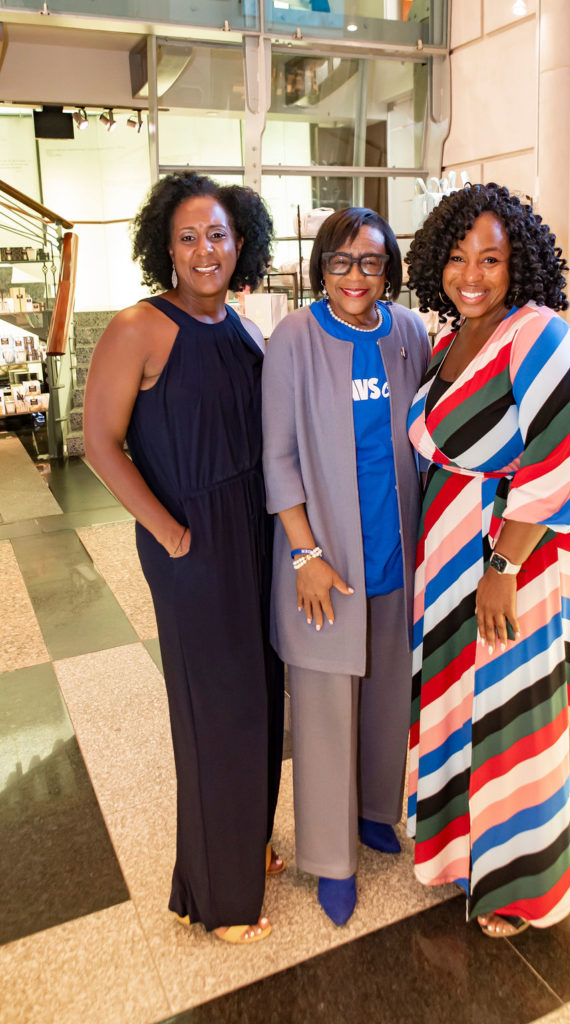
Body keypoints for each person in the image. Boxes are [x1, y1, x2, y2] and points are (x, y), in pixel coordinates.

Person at [405, 182, 570, 938]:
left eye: (491, 259)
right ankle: (468, 853)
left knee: (514, 713)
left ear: (518, 263)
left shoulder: (540, 334)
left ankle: (520, 887)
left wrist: (502, 569)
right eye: (458, 258)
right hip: (451, 567)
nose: (472, 274)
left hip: (510, 563)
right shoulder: (445, 341)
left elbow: (556, 459)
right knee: (467, 710)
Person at [84, 172, 284, 944]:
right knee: (215, 712)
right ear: (165, 246)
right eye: (190, 236)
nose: (207, 250)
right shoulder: (141, 326)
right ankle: (216, 898)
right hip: (193, 537)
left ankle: (247, 843)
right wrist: (168, 532)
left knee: (263, 694)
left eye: (220, 235)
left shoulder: (239, 323)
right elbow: (98, 445)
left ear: (242, 244)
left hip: (253, 529)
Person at [262, 207, 431, 926]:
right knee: (328, 708)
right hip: (325, 558)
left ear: (388, 268)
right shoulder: (295, 338)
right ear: (319, 268)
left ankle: (371, 815)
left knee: (389, 695)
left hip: (398, 547)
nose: (355, 276)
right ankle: (331, 860)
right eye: (340, 261)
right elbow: (278, 455)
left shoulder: (407, 332)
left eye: (370, 262)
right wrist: (303, 552)